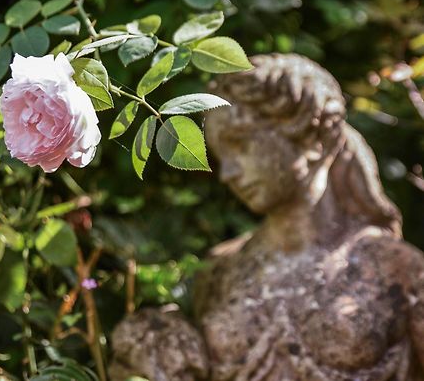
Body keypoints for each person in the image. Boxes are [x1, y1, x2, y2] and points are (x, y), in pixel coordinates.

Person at [110, 54, 424, 381]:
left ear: (314, 138)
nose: (227, 173)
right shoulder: (221, 272)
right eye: (222, 156)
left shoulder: (397, 271)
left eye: (241, 145)